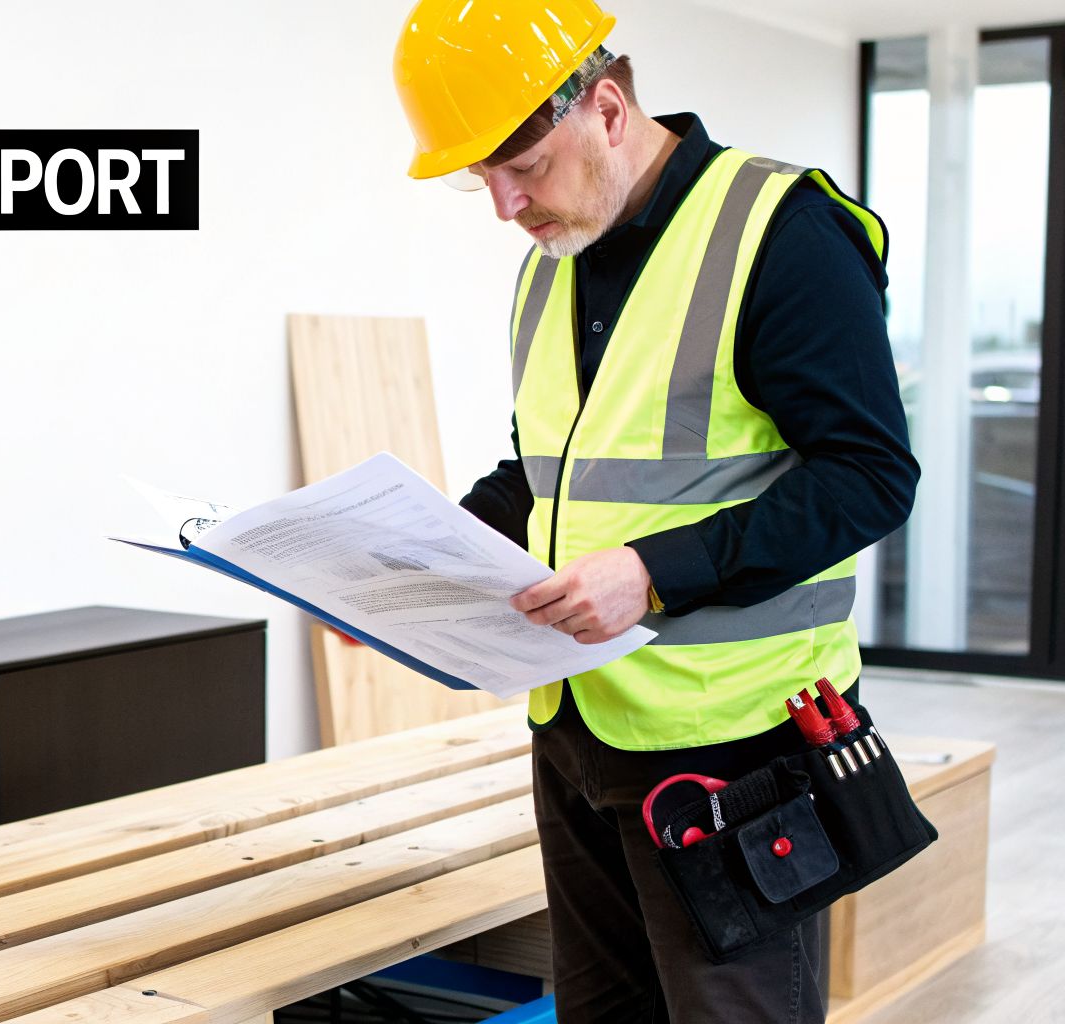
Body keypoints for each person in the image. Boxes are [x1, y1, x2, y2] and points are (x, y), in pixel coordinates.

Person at [392, 2, 920, 1021]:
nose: (503, 204)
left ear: (604, 107)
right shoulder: (553, 262)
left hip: (735, 748)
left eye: (521, 165)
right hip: (577, 730)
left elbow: (867, 474)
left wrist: (651, 571)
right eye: (478, 177)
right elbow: (551, 472)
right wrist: (415, 556)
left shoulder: (780, 232)